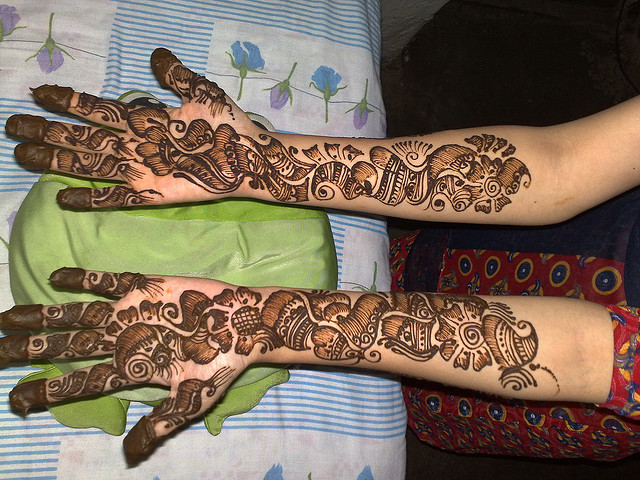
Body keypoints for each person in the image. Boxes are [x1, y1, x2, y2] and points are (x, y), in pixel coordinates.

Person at [0, 48, 638, 463]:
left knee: (442, 407)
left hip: (573, 376)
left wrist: (263, 323)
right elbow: (562, 167)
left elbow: (593, 357)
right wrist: (265, 165)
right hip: (564, 242)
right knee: (430, 259)